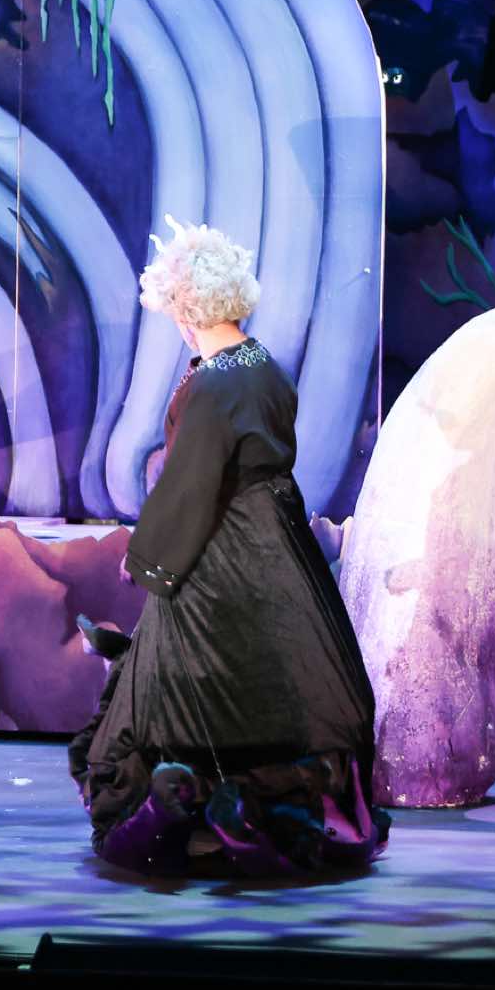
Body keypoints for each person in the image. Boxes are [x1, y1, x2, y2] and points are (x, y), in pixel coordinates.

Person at [69, 218, 389, 876]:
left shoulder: (216, 382)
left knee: (189, 680)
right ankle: (258, 804)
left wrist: (148, 557)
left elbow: (192, 481)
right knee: (279, 673)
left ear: (186, 309)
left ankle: (201, 815)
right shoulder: (262, 364)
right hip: (277, 541)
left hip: (223, 544)